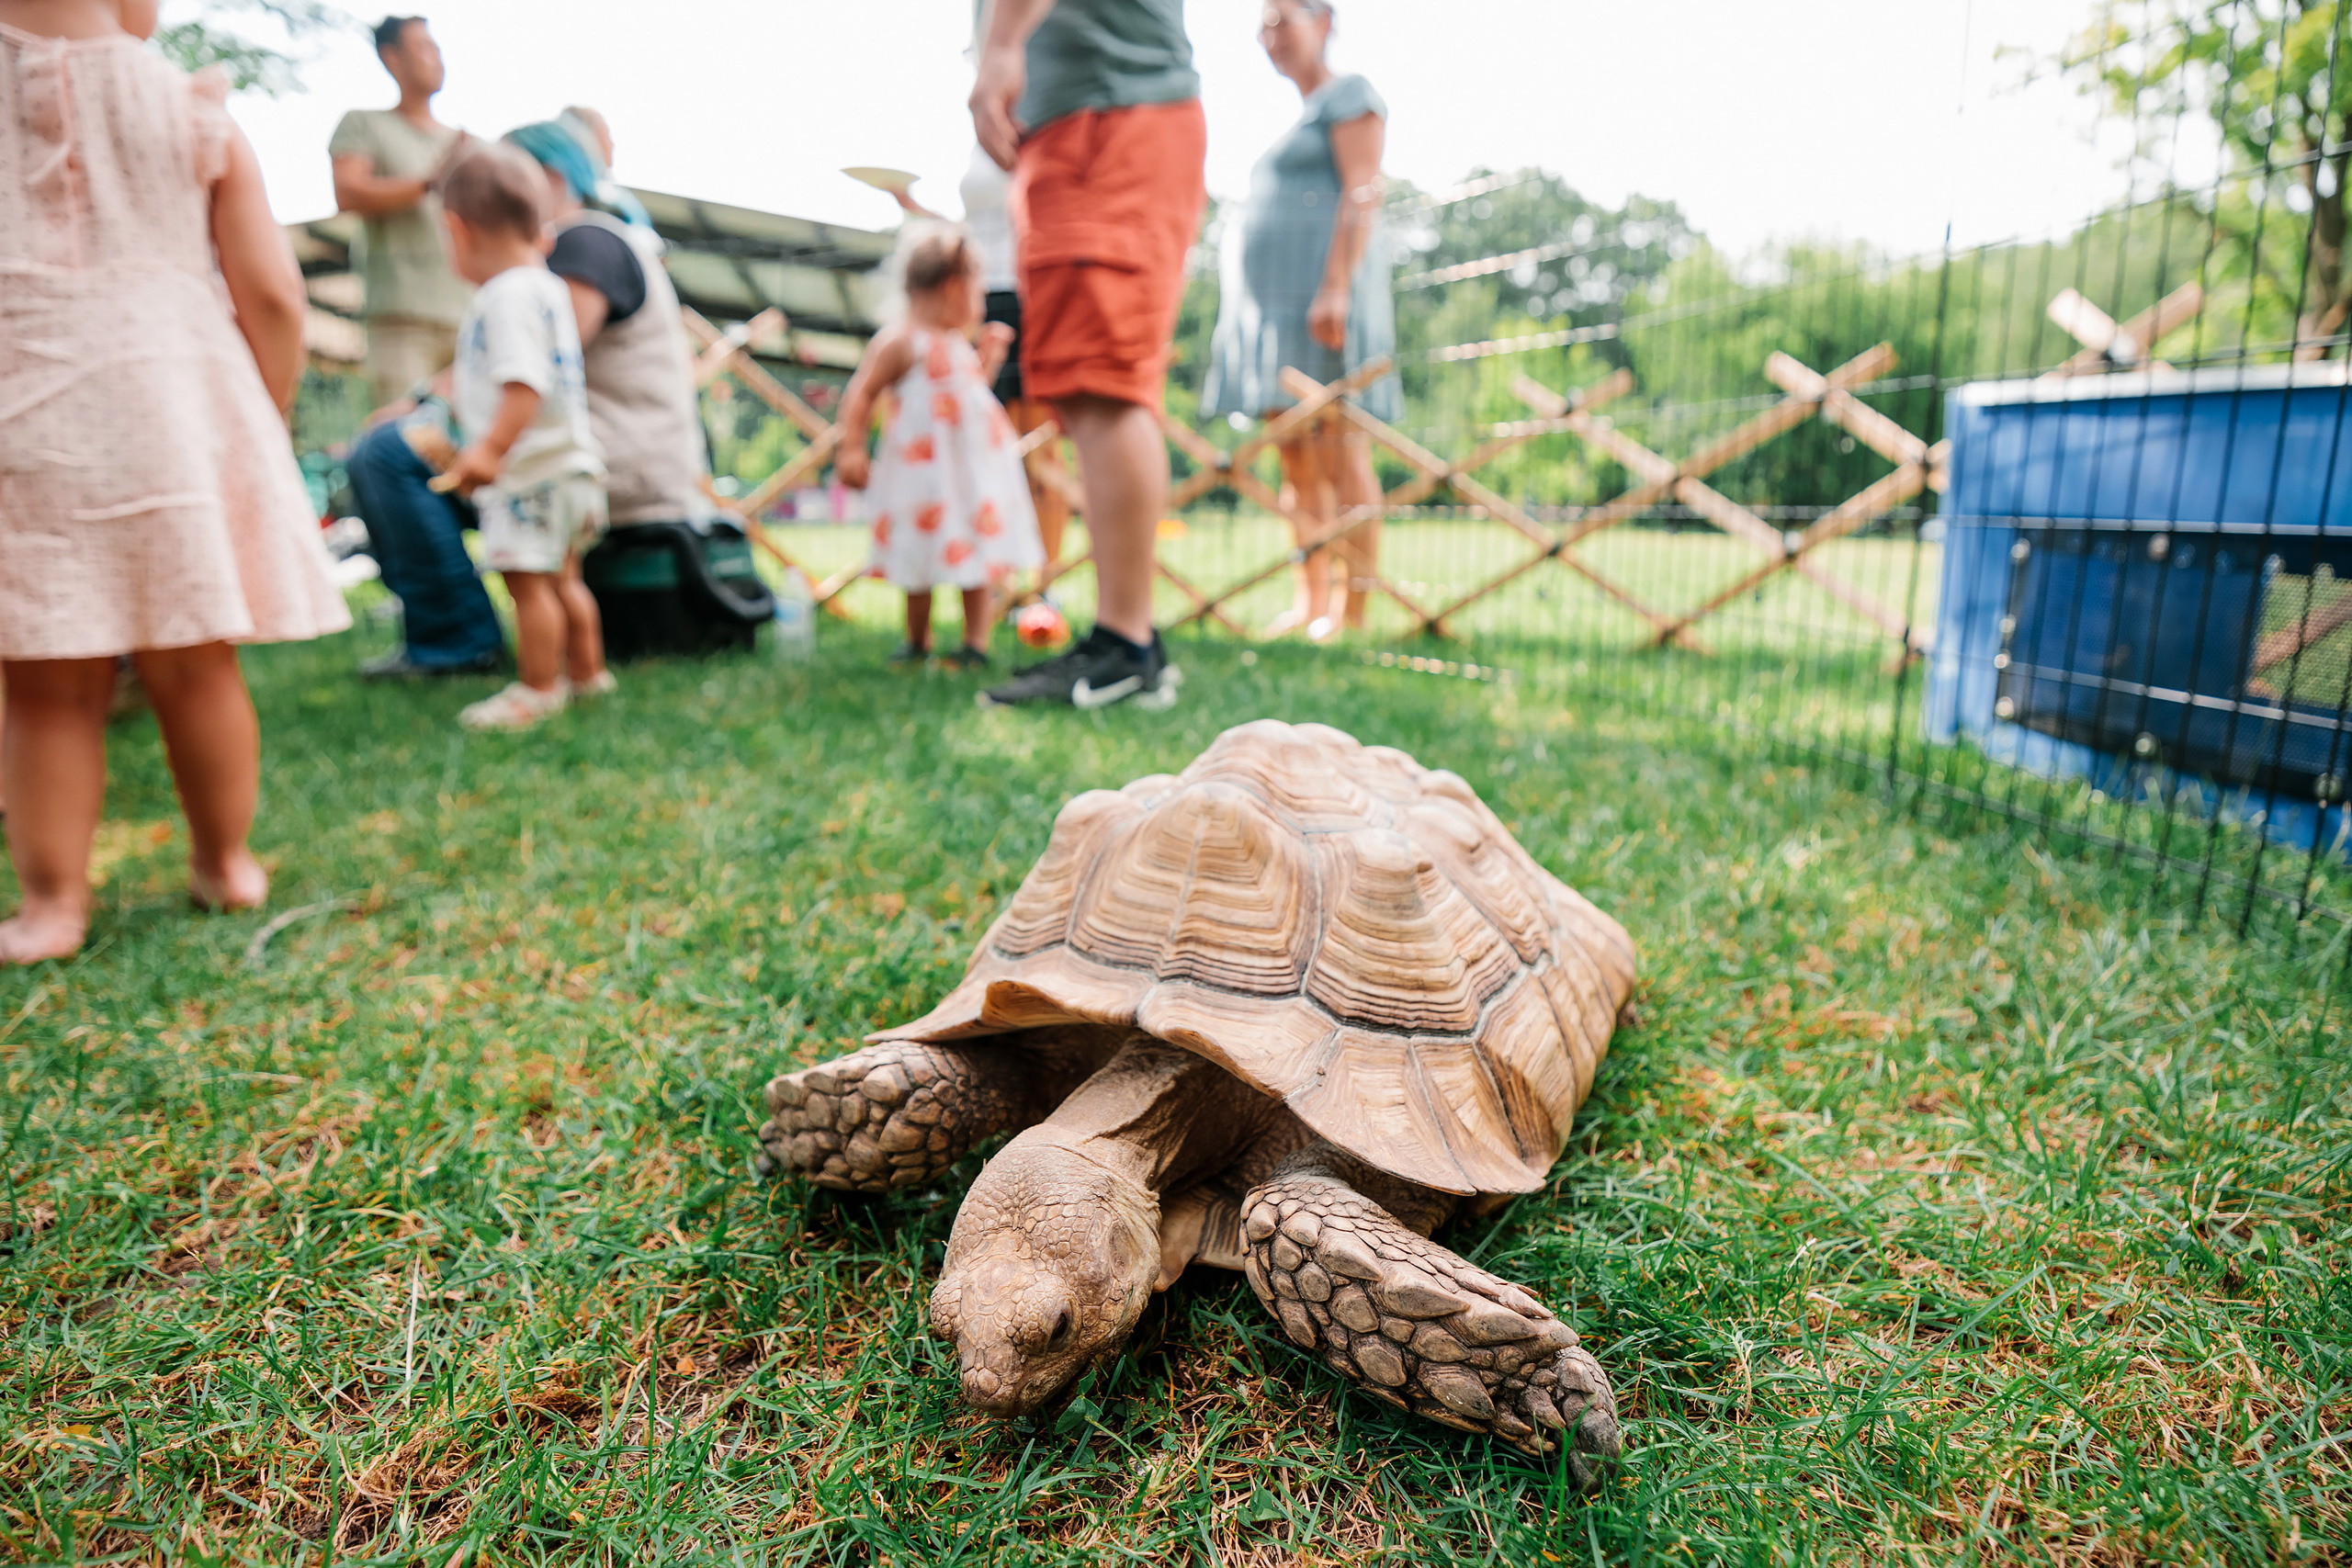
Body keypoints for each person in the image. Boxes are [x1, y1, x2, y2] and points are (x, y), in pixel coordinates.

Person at [0, 0, 352, 964]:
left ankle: (51, 908)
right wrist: (260, 420)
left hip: (21, 398)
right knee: (195, 658)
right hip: (175, 411)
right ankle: (226, 864)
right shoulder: (187, 105)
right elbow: (272, 293)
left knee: (40, 682)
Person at [967, 0, 1205, 710]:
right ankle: (1124, 639)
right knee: (1082, 385)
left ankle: (1125, 644)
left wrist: (1003, 43)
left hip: (1109, 119)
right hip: (1090, 120)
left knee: (1104, 386)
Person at [1203, 0, 1397, 639]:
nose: (1271, 35)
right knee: (1295, 461)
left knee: (1341, 453)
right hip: (1274, 316)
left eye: (1284, 18)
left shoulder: (1352, 96)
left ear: (1325, 21)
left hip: (1322, 306)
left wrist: (1335, 285)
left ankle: (1353, 608)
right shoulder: (1299, 118)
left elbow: (1362, 189)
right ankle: (1310, 598)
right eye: (1263, 25)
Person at [434, 146, 611, 733]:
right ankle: (588, 674)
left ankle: (538, 688)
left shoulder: (503, 295)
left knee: (527, 585)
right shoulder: (547, 287)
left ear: (456, 228)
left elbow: (522, 383)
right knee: (566, 580)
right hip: (573, 468)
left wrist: (486, 451)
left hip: (529, 473)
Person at [835, 226, 1044, 669]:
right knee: (918, 555)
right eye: (978, 289)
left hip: (968, 480)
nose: (981, 303)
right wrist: (851, 447)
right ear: (953, 286)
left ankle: (975, 644)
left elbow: (969, 396)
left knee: (977, 555)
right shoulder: (900, 341)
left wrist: (988, 359)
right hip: (923, 480)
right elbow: (863, 392)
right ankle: (917, 640)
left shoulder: (956, 345)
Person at [888, 150, 1074, 570]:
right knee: (986, 444)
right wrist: (914, 207)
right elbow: (974, 232)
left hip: (1031, 294)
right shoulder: (981, 135)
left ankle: (1045, 581)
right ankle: (995, 575)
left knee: (1038, 447)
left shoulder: (1040, 129)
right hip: (978, 300)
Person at [329, 16, 474, 407]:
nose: (437, 58)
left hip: (469, 317)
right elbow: (348, 193)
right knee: (404, 439)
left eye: (437, 48)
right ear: (391, 57)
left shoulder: (465, 143)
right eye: (424, 48)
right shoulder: (363, 124)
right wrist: (430, 180)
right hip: (400, 320)